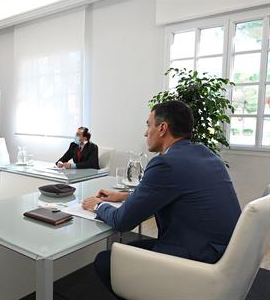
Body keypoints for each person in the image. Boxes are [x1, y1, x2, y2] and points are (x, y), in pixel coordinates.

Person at [82, 100, 241, 296]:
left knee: (107, 261)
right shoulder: (206, 155)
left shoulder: (165, 163)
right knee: (129, 250)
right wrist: (123, 195)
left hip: (196, 262)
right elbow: (177, 191)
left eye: (148, 125)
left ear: (163, 128)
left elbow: (122, 221)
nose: (145, 132)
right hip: (224, 255)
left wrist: (98, 206)